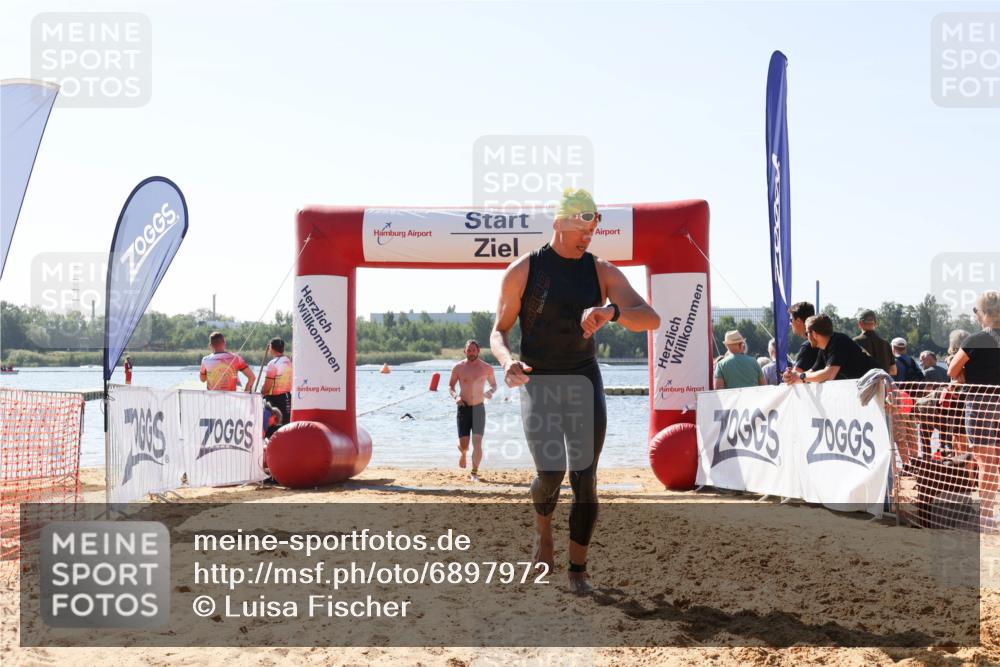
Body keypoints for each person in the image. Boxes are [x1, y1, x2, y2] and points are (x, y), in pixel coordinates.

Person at [490, 188, 660, 595]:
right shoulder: (523, 270)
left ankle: (577, 569)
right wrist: (506, 362)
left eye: (594, 226)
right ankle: (543, 533)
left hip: (584, 381)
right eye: (581, 225)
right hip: (540, 383)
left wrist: (612, 313)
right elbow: (499, 331)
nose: (588, 234)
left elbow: (650, 318)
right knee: (550, 474)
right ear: (559, 222)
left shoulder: (601, 271)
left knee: (585, 478)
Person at [947, 291, 1000, 531]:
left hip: (981, 404)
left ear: (985, 313)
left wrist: (965, 377)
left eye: (976, 311)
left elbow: (952, 371)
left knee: (985, 463)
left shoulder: (977, 339)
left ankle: (986, 514)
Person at [447, 339, 497, 481]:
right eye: (469, 350)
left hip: (479, 408)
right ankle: (463, 454)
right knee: (464, 444)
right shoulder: (458, 367)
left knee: (477, 442)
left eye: (473, 350)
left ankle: (474, 472)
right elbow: (450, 386)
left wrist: (490, 392)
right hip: (463, 408)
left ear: (478, 351)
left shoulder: (487, 368)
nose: (471, 353)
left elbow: (494, 385)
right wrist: (456, 397)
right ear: (465, 351)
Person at [785, 314, 878, 383]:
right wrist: (792, 377)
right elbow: (812, 372)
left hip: (877, 384)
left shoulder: (839, 342)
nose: (806, 337)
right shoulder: (824, 348)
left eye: (807, 333)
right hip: (869, 385)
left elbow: (828, 374)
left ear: (814, 333)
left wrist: (801, 376)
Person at [781, 301, 819, 383]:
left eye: (791, 320)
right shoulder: (825, 341)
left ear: (798, 320)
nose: (790, 324)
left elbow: (793, 379)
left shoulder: (807, 346)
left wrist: (788, 375)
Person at [853, 310, 896, 375]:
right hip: (882, 383)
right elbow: (894, 371)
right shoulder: (886, 344)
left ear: (860, 323)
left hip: (863, 383)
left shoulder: (855, 342)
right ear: (875, 324)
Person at [261, 338, 293, 425]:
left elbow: (267, 386)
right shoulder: (289, 361)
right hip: (287, 398)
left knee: (272, 428)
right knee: (285, 425)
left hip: (274, 399)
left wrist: (261, 392)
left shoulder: (273, 363)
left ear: (271, 348)